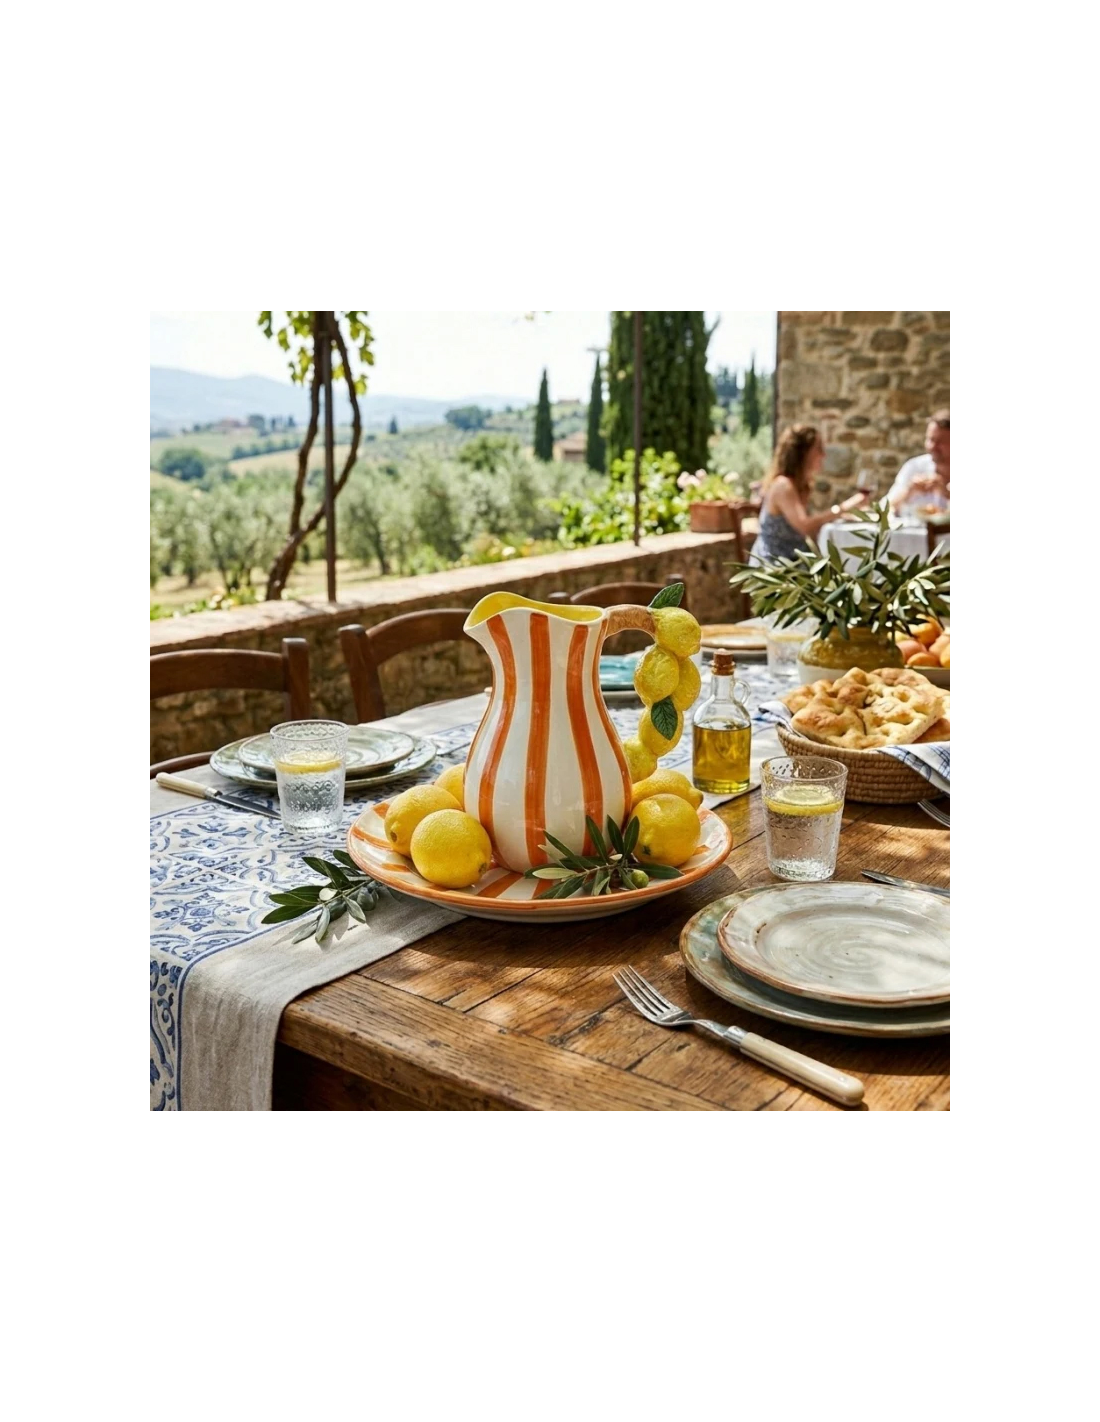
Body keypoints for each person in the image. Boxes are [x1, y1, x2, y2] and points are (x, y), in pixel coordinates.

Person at [750, 424, 869, 563]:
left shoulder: (802, 486)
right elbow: (805, 526)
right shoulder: (783, 485)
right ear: (803, 453)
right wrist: (844, 508)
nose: (823, 455)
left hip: (794, 561)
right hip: (774, 566)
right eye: (818, 449)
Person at [888, 409, 950, 518]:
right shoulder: (914, 466)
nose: (932, 447)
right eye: (930, 440)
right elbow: (885, 509)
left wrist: (946, 494)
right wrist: (909, 491)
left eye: (940, 442)